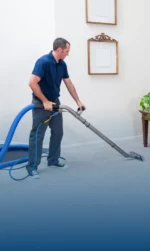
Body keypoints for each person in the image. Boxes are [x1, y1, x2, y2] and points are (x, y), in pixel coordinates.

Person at [27, 37, 85, 179]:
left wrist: (78, 101)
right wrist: (45, 101)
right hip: (41, 104)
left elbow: (68, 83)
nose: (68, 54)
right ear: (59, 50)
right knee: (37, 136)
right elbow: (32, 83)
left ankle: (53, 160)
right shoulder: (43, 62)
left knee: (58, 132)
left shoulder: (62, 64)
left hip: (55, 103)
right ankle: (32, 167)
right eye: (67, 51)